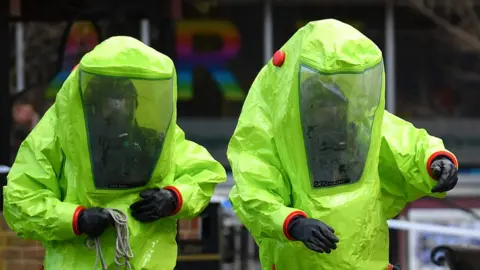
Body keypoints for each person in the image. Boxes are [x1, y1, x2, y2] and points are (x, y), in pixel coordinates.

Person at [227, 19, 458, 270]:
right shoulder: (271, 133)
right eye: (319, 102)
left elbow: (403, 143)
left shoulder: (357, 129)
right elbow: (253, 192)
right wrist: (292, 223)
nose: (330, 110)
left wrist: (435, 160)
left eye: (333, 101)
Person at [3, 36, 226, 270]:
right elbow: (21, 202)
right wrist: (76, 219)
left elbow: (202, 174)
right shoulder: (54, 139)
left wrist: (173, 198)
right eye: (111, 101)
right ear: (89, 104)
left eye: (125, 100)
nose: (119, 109)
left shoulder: (155, 141)